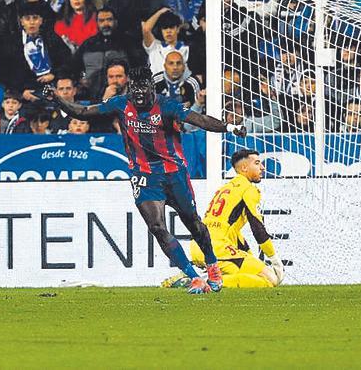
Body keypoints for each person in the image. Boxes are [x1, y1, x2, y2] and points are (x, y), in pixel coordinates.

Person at [54, 66, 246, 294]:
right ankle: (194, 276)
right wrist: (56, 98)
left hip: (174, 173)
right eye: (134, 88)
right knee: (156, 226)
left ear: (152, 88)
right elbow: (83, 113)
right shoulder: (120, 103)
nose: (138, 93)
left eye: (143, 88)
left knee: (193, 222)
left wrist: (230, 127)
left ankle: (212, 265)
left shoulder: (167, 106)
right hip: (144, 175)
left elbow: (200, 120)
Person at [161, 148, 283, 289]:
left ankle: (195, 277)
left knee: (240, 274)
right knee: (271, 279)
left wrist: (249, 255)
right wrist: (274, 259)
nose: (262, 167)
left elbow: (233, 232)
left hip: (199, 248)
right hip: (218, 249)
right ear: (244, 167)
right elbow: (257, 228)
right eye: (257, 163)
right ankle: (203, 280)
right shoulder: (248, 189)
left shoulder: (224, 189)